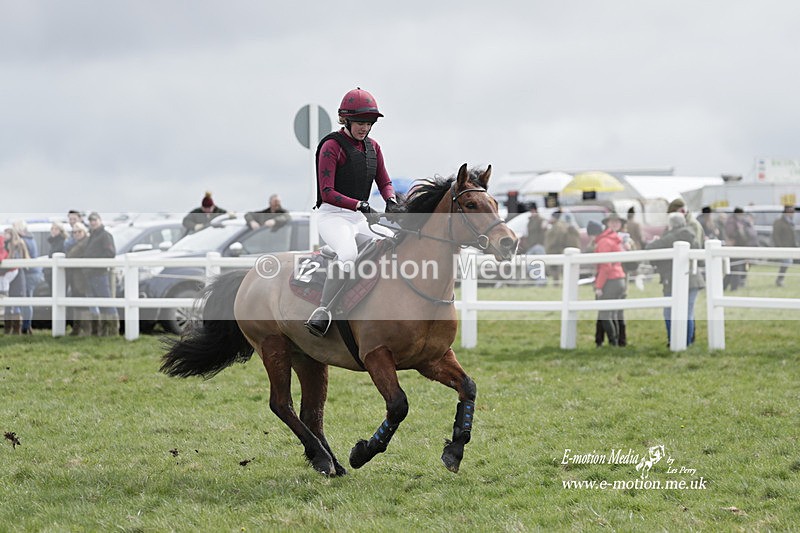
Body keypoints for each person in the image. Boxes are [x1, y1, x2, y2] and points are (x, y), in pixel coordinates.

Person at [305, 87, 399, 337]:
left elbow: (384, 181)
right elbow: (326, 192)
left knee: (392, 246)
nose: (364, 128)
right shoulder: (331, 146)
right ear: (346, 119)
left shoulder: (373, 148)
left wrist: (390, 200)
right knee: (347, 254)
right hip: (332, 216)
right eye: (359, 122)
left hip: (359, 218)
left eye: (368, 123)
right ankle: (323, 311)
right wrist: (358, 204)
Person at [646, 213, 705, 345]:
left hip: (674, 280)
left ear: (671, 224)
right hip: (694, 279)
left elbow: (649, 249)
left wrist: (656, 240)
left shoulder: (671, 237)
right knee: (688, 312)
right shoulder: (691, 235)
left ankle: (673, 339)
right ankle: (687, 342)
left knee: (669, 312)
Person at [592, 213, 628, 347]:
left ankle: (614, 342)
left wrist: (599, 286)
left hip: (611, 280)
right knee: (613, 313)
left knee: (605, 313)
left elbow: (605, 266)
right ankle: (616, 342)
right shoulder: (614, 239)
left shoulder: (604, 241)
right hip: (620, 278)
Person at [84, 212, 119, 336]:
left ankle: (113, 330)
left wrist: (96, 261)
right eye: (91, 221)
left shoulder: (105, 236)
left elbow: (110, 253)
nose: (93, 223)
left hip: (100, 273)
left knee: (107, 302)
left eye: (94, 220)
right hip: (91, 273)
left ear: (99, 220)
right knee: (99, 303)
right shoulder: (93, 235)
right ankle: (103, 331)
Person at [13, 221, 44, 334]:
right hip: (34, 272)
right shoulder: (31, 239)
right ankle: (27, 326)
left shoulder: (22, 241)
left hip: (28, 273)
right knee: (27, 300)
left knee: (25, 300)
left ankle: (25, 326)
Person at [65, 222, 92, 336]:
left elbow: (71, 256)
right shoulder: (76, 243)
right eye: (74, 232)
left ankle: (86, 328)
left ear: (84, 231)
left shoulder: (85, 243)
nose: (77, 234)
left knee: (82, 300)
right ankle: (77, 327)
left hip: (82, 276)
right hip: (75, 276)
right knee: (76, 299)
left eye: (79, 231)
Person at [2, 227, 29, 334]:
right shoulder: (4, 245)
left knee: (16, 302)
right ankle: (7, 328)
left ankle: (16, 328)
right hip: (7, 274)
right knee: (8, 303)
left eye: (7, 234)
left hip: (16, 275)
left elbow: (16, 260)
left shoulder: (17, 244)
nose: (5, 236)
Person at [723, 207, 757, 291]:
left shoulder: (741, 221)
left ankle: (725, 286)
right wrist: (739, 232)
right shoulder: (732, 221)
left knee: (733, 268)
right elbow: (731, 234)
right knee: (735, 268)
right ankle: (733, 287)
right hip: (734, 247)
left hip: (740, 246)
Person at [544, 210, 580, 284]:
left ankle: (558, 284)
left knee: (557, 270)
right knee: (555, 270)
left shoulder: (559, 226)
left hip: (555, 250)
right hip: (553, 250)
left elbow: (558, 239)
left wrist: (553, 246)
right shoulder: (557, 226)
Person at [772, 205, 797, 287]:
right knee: (786, 262)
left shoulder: (790, 222)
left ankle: (780, 279)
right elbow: (776, 235)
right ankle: (779, 280)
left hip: (789, 246)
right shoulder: (779, 221)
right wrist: (779, 247)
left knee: (787, 263)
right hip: (783, 247)